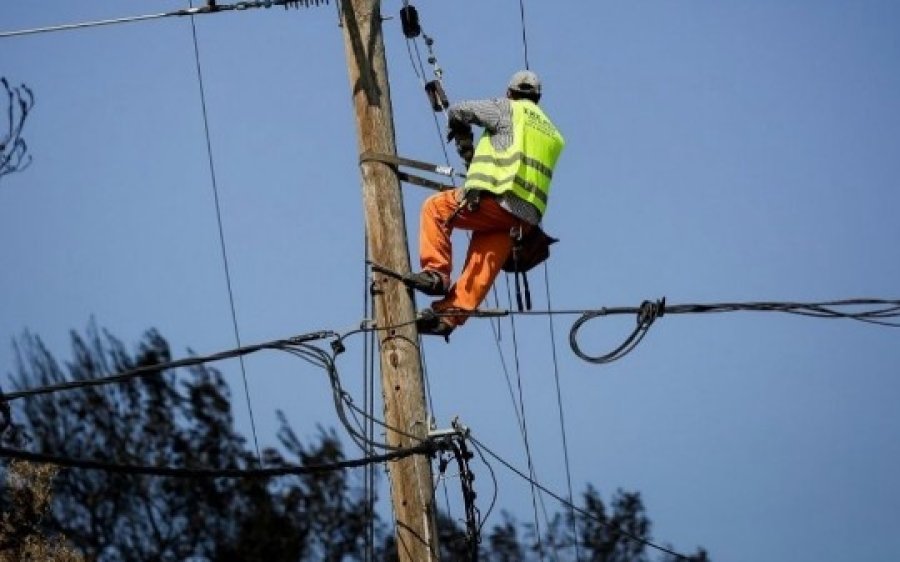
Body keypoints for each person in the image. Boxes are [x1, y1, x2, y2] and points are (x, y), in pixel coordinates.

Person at [406, 70, 565, 338]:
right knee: (484, 262)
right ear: (537, 98)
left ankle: (436, 274)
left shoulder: (507, 108)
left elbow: (460, 111)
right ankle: (448, 317)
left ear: (510, 93)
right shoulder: (552, 132)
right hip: (524, 219)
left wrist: (464, 140)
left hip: (499, 200)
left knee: (435, 208)